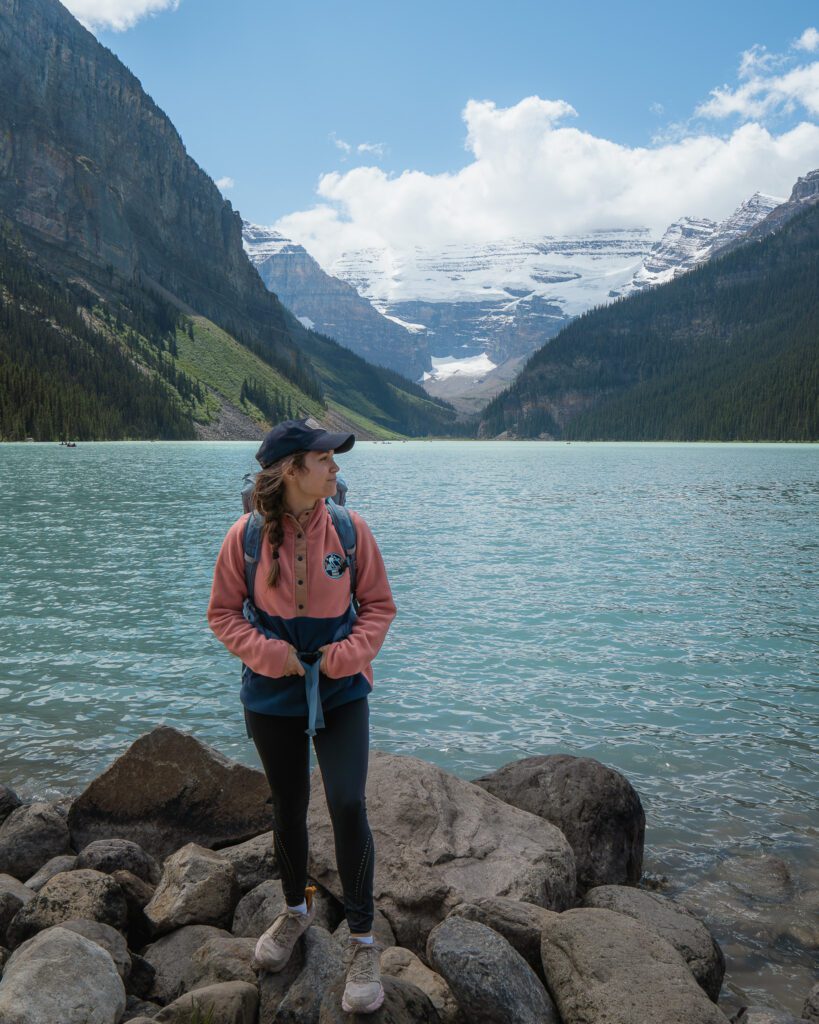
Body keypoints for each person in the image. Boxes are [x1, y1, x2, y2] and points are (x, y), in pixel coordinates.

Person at [207, 418, 397, 1015]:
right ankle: (295, 912)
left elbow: (379, 607)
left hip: (341, 691)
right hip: (271, 692)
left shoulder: (349, 528)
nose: (336, 469)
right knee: (286, 804)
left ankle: (363, 942)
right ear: (292, 469)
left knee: (346, 801)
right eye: (325, 460)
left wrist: (342, 658)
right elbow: (223, 615)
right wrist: (276, 656)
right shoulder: (243, 537)